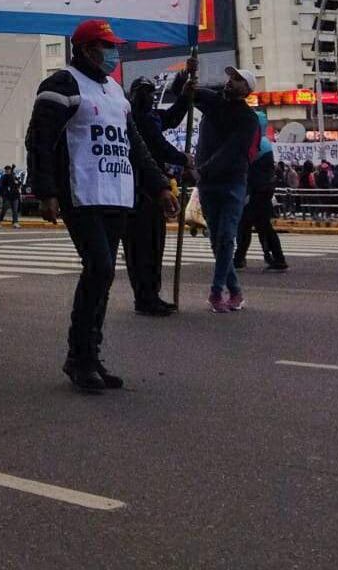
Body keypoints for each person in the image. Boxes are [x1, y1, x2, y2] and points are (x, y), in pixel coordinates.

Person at [28, 20, 175, 392]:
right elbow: (39, 140)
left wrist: (159, 186)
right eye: (106, 46)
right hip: (82, 193)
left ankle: (90, 355)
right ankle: (79, 357)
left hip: (118, 193)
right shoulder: (61, 85)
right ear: (86, 49)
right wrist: (46, 192)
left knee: (105, 275)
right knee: (100, 267)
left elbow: (134, 144)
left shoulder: (114, 90)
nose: (113, 53)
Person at [168, 60, 261, 314]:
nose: (231, 81)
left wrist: (201, 169)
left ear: (247, 90)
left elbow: (231, 152)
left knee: (225, 237)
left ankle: (216, 291)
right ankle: (236, 291)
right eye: (231, 77)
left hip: (232, 183)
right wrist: (186, 74)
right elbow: (182, 92)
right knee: (216, 240)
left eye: (238, 79)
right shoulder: (213, 101)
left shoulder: (248, 119)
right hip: (207, 184)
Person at [126, 78, 188, 315]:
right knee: (140, 248)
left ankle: (152, 294)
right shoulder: (133, 118)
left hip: (153, 190)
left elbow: (171, 117)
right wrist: (183, 159)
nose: (149, 97)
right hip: (137, 191)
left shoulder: (150, 116)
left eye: (151, 93)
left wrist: (184, 95)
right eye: (144, 92)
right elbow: (158, 145)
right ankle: (145, 297)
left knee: (154, 246)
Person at [236, 137, 288, 271]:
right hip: (261, 198)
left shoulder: (256, 160)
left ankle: (241, 258)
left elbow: (250, 178)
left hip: (255, 198)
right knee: (261, 228)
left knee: (248, 227)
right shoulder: (266, 160)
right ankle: (274, 257)